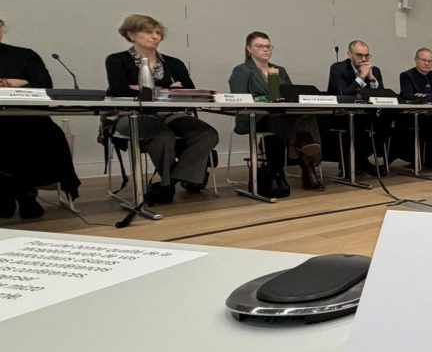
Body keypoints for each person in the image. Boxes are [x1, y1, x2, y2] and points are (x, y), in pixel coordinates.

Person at [106, 14, 220, 205]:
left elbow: (190, 91)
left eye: (158, 33)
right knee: (162, 135)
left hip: (171, 114)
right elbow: (118, 90)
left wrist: (140, 88)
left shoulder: (174, 63)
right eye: (148, 32)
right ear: (131, 34)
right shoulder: (117, 60)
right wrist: (166, 89)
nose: (155, 36)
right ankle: (170, 182)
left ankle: (169, 183)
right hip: (133, 115)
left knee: (207, 134)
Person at [0, 17, 81, 219]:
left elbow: (43, 86)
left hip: (25, 116)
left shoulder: (24, 55)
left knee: (43, 132)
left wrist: (7, 83)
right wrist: (14, 82)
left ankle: (25, 193)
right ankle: (6, 194)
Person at [228, 31, 325, 190]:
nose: (265, 49)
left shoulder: (279, 70)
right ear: (249, 49)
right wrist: (265, 99)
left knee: (307, 114)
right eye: (259, 46)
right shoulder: (242, 70)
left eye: (268, 46)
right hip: (255, 117)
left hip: (282, 115)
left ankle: (305, 155)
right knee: (289, 121)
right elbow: (239, 98)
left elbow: (291, 94)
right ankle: (306, 162)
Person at [327, 40, 391, 173]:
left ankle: (362, 159)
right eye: (359, 55)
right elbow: (343, 93)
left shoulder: (375, 70)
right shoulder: (338, 68)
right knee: (359, 123)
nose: (363, 59)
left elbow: (380, 96)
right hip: (341, 113)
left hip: (366, 113)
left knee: (387, 122)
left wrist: (372, 79)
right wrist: (361, 76)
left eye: (367, 56)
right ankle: (353, 163)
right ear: (349, 54)